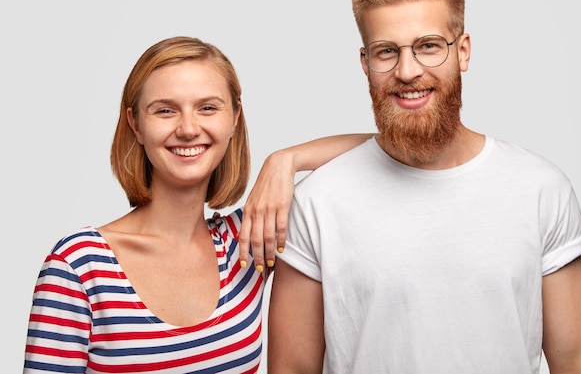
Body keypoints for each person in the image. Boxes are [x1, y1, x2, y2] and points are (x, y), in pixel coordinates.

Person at [267, 0, 581, 373]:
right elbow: (292, 370)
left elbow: (577, 360)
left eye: (428, 45)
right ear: (365, 63)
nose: (408, 71)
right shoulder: (316, 203)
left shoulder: (540, 189)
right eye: (387, 51)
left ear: (462, 51)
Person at [22, 36, 370, 373]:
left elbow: (384, 150)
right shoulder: (78, 265)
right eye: (165, 110)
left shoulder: (247, 241)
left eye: (207, 108)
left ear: (234, 118)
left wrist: (286, 159)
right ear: (136, 124)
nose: (188, 128)